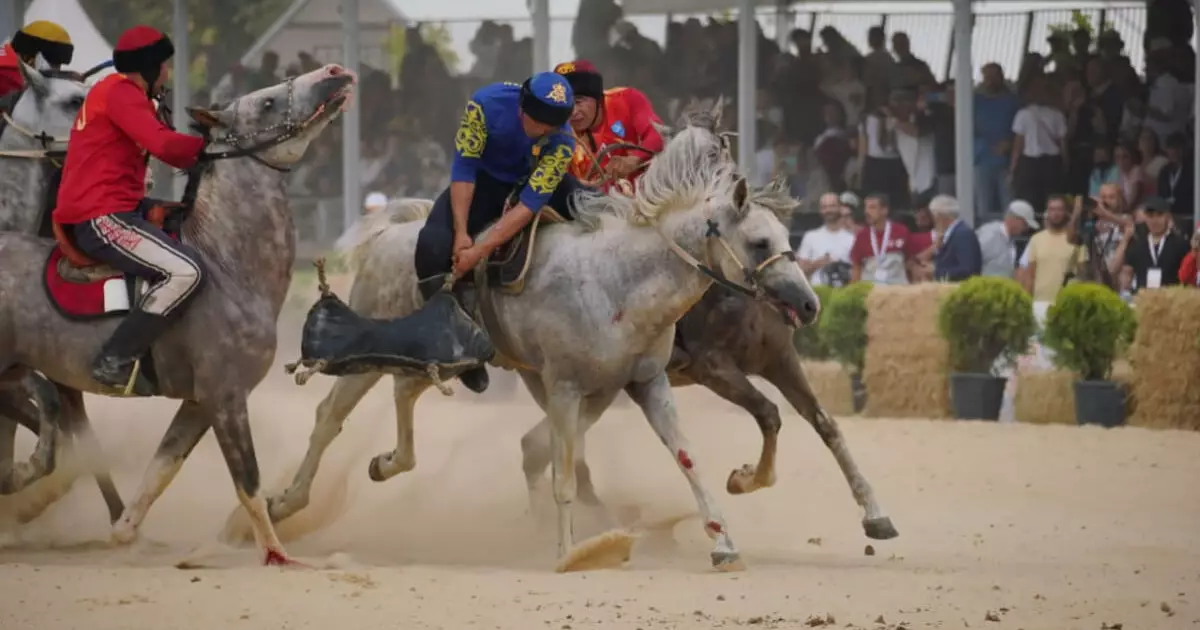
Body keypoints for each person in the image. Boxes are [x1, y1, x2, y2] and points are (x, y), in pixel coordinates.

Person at [53, 26, 207, 396]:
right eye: (164, 67)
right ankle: (113, 359)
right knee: (187, 272)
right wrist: (212, 145)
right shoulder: (121, 93)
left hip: (117, 206)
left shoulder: (117, 91)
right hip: (101, 215)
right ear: (148, 68)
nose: (167, 73)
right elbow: (163, 145)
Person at [413, 72, 579, 394]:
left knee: (586, 211)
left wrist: (478, 251)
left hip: (526, 188)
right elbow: (464, 167)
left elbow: (528, 205)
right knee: (431, 249)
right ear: (521, 110)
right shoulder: (484, 105)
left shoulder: (563, 141)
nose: (544, 131)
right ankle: (459, 345)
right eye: (538, 123)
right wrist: (462, 234)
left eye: (552, 127)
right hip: (483, 182)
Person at [552, 59, 664, 190]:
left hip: (649, 197)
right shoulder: (558, 131)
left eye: (579, 101)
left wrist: (634, 159)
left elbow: (658, 134)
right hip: (599, 205)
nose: (573, 112)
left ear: (598, 99)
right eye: (566, 104)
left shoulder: (627, 99)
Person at [1017, 195, 1083, 304]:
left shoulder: (1077, 240)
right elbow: (1030, 275)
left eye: (1059, 209)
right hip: (1040, 302)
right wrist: (1026, 302)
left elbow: (1083, 273)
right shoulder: (1036, 239)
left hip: (1068, 303)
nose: (1055, 214)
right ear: (1047, 212)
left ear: (1066, 213)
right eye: (1052, 209)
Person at [1118, 197, 1189, 293]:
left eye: (1159, 215)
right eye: (1150, 216)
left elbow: (1187, 274)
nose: (1155, 220)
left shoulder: (1180, 244)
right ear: (1145, 218)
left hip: (1172, 299)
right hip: (1142, 299)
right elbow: (1127, 272)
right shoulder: (1137, 245)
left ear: (1167, 217)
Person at [850, 193, 919, 285]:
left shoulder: (901, 231)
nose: (867, 211)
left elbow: (911, 262)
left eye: (872, 207)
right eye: (866, 207)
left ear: (884, 210)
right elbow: (856, 266)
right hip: (871, 291)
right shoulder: (862, 236)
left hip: (897, 290)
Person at [0, 20, 75, 98]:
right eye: (53, 65)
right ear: (29, 59)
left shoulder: (5, 61)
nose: (56, 71)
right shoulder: (7, 74)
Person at [796, 192, 855, 286]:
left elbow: (858, 270)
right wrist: (819, 263)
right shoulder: (810, 237)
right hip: (818, 294)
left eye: (832, 206)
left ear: (840, 208)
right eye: (824, 207)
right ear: (820, 210)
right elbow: (800, 270)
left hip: (845, 293)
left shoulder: (852, 239)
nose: (828, 210)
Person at [976, 199, 1039, 278]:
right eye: (1025, 224)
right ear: (1015, 219)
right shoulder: (989, 236)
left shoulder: (1010, 242)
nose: (1026, 229)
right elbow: (971, 262)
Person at [929, 195, 982, 281]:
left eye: (933, 216)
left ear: (939, 216)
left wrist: (936, 272)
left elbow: (967, 270)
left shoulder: (962, 234)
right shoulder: (952, 234)